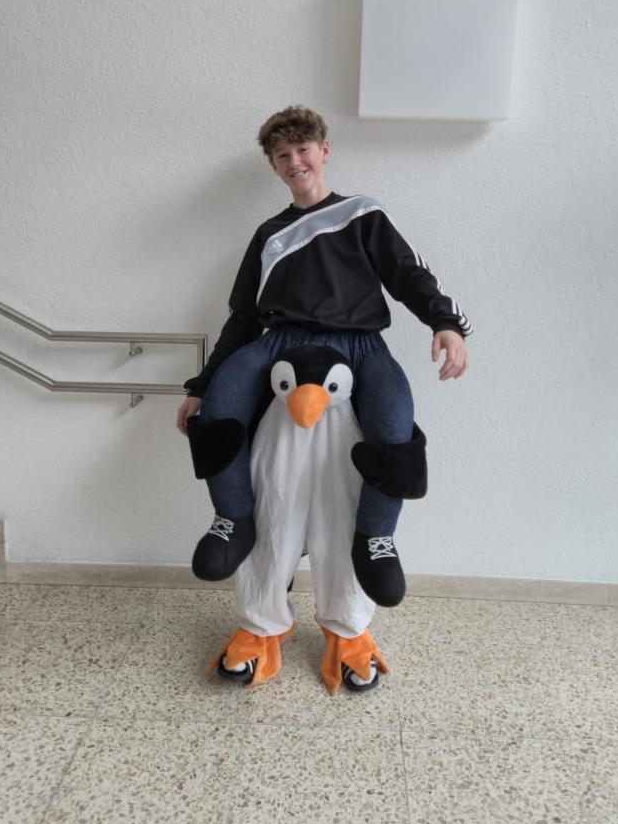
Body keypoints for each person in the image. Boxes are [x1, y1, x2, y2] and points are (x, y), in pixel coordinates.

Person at [176, 105, 471, 607]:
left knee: (396, 419)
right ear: (273, 166)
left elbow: (408, 274)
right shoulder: (269, 235)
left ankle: (376, 538)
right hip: (279, 343)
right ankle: (233, 518)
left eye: (303, 149)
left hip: (360, 344)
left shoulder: (363, 212)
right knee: (221, 406)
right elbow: (243, 317)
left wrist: (445, 323)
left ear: (324, 150)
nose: (295, 161)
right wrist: (200, 387)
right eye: (282, 155)